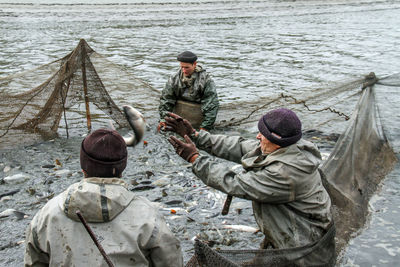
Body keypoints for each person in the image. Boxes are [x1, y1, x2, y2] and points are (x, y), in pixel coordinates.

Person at [164, 108, 335, 265]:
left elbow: (234, 182)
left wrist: (195, 159)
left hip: (303, 253)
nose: (258, 137)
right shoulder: (284, 147)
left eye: (263, 134)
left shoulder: (284, 174)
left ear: (278, 140)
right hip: (288, 236)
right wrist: (195, 135)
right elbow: (238, 146)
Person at [24, 128, 183, 267]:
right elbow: (171, 261)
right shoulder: (149, 218)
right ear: (123, 167)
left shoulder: (45, 216)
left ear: (83, 167)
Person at [158, 51, 219, 132]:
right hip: (178, 117)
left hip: (198, 117)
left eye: (187, 67)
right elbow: (166, 100)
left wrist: (205, 127)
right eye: (182, 67)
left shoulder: (206, 80)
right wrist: (163, 119)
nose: (184, 70)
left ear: (194, 64)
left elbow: (211, 105)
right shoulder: (174, 79)